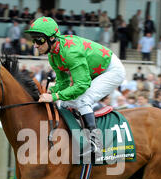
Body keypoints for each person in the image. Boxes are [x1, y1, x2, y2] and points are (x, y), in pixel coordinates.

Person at [25, 16, 126, 157]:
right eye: (33, 40)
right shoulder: (53, 55)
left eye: (39, 40)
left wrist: (53, 96)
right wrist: (51, 91)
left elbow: (82, 85)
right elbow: (63, 83)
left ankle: (96, 144)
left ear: (52, 38)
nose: (35, 45)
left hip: (111, 70)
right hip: (94, 71)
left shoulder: (70, 52)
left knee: (83, 99)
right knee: (64, 102)